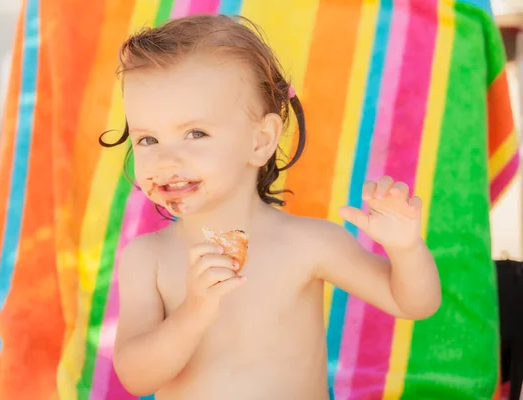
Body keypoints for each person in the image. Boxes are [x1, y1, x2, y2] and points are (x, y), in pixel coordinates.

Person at [103, 14, 441, 399]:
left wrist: (405, 248)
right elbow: (136, 378)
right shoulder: (149, 258)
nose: (166, 159)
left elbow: (414, 303)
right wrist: (192, 314)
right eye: (147, 139)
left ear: (260, 140)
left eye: (195, 133)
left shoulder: (309, 244)